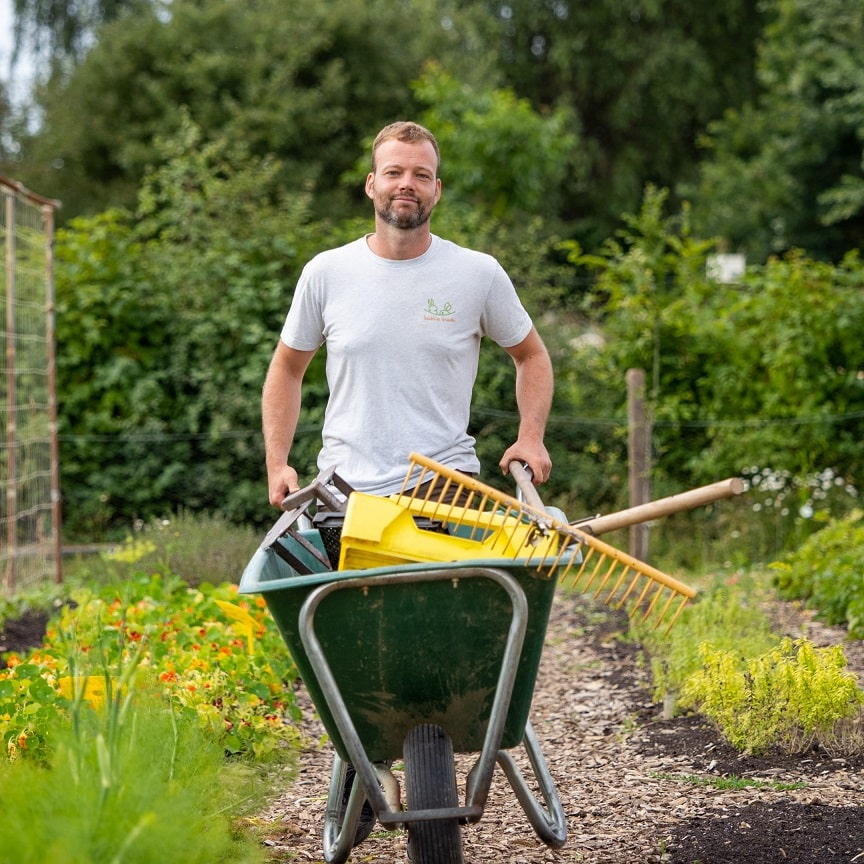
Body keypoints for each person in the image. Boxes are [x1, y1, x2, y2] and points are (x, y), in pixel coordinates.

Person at [262, 120, 554, 509]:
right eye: (394, 172)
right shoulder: (326, 273)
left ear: (436, 190)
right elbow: (286, 368)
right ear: (371, 184)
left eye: (421, 175)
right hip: (344, 492)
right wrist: (277, 463)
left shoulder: (477, 274)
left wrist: (531, 436)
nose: (406, 184)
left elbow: (531, 355)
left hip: (444, 486)